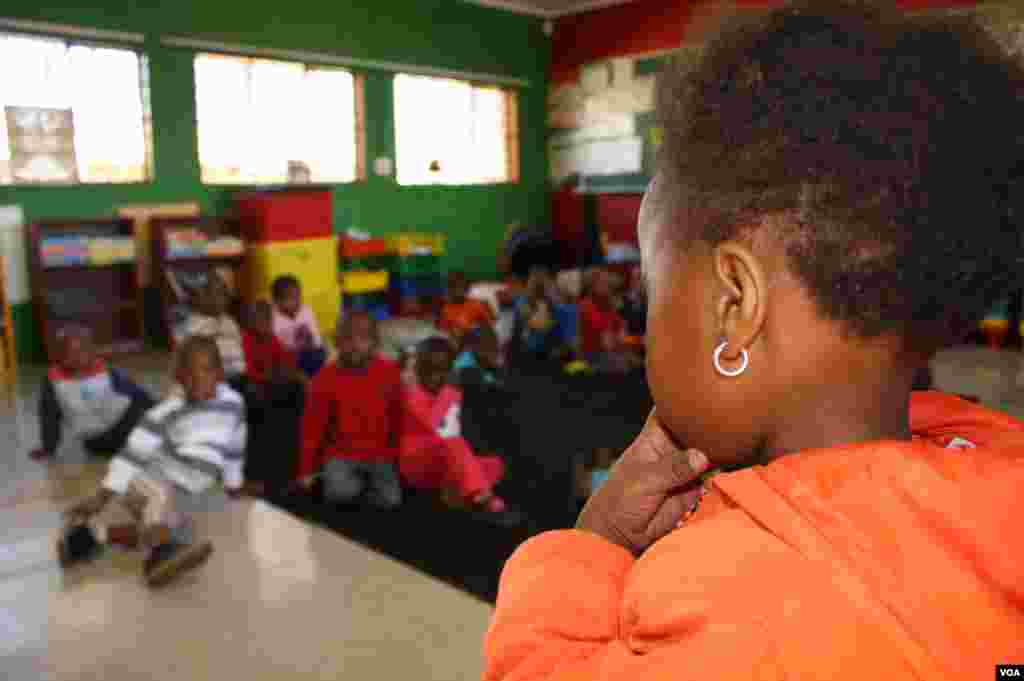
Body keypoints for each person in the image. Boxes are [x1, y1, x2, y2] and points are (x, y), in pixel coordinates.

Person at [484, 3, 1024, 678]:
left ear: (735, 306)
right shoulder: (995, 469)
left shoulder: (726, 601)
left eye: (656, 290)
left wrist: (592, 540)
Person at [57, 336, 247, 588]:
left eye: (206, 370)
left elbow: (235, 445)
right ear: (178, 378)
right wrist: (101, 497)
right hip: (145, 479)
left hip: (185, 488)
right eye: (187, 374)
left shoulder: (233, 405)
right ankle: (157, 561)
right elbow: (131, 455)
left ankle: (85, 538)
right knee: (160, 512)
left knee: (169, 526)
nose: (197, 380)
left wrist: (234, 483)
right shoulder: (166, 412)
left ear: (220, 373)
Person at [298, 311, 403, 509]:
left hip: (379, 455)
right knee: (340, 492)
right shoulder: (324, 378)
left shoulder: (390, 374)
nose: (355, 345)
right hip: (340, 455)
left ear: (376, 343)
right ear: (337, 342)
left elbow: (398, 419)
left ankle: (360, 494)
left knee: (391, 500)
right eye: (348, 338)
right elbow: (312, 428)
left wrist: (397, 458)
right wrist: (306, 470)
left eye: (364, 338)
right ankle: (332, 481)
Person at [400, 337, 510, 516]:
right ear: (418, 369)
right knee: (456, 446)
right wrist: (445, 397)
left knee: (494, 464)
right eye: (429, 370)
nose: (435, 377)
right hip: (417, 460)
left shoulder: (453, 394)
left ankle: (460, 492)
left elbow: (455, 429)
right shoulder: (412, 395)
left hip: (447, 460)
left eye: (442, 370)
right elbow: (430, 427)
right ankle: (483, 495)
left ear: (450, 370)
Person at [30, 324, 155, 462]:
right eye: (69, 352)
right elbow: (49, 416)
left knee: (140, 408)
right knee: (140, 418)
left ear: (93, 351)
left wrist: (158, 408)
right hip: (97, 441)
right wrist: (48, 448)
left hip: (122, 429)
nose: (76, 357)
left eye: (82, 351)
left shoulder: (106, 371)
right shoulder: (53, 381)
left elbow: (138, 395)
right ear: (58, 355)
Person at [241, 300, 307, 495]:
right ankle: (274, 475)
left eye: (267, 318)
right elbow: (249, 373)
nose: (264, 323)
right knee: (273, 402)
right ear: (249, 321)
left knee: (298, 389)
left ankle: (296, 466)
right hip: (256, 388)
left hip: (275, 384)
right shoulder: (246, 340)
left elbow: (284, 359)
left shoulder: (271, 338)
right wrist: (274, 375)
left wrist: (294, 373)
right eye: (258, 318)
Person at [177, 271, 246, 389]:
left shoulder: (229, 321)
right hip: (217, 380)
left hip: (241, 374)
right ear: (202, 298)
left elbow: (241, 347)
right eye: (216, 294)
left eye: (224, 294)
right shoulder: (195, 325)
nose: (222, 299)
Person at [577, 267, 635, 372]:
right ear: (591, 286)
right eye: (603, 282)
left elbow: (623, 332)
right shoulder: (586, 306)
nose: (608, 285)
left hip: (610, 355)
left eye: (607, 281)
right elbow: (607, 343)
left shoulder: (607, 305)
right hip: (595, 359)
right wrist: (620, 338)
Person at [271, 274, 327, 378]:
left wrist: (310, 340)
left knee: (320, 353)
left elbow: (317, 336)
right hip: (290, 356)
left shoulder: (307, 311)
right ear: (277, 301)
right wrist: (294, 344)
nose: (296, 302)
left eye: (298, 297)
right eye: (290, 298)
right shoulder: (274, 319)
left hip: (311, 351)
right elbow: (277, 345)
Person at [438, 271, 495, 344]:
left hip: (476, 342)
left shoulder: (478, 305)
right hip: (455, 344)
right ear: (449, 288)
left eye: (461, 286)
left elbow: (491, 325)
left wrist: (474, 329)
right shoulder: (445, 309)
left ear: (466, 288)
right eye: (453, 286)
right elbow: (443, 331)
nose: (457, 290)